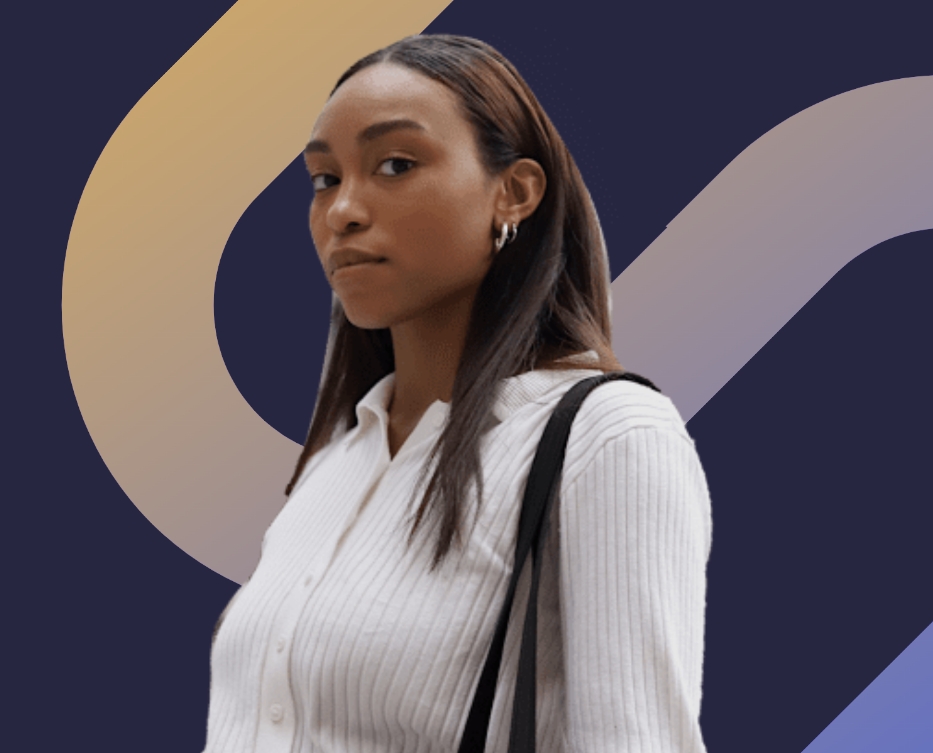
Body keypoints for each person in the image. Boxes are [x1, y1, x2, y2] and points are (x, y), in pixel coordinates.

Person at [202, 34, 713, 753]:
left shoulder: (606, 436)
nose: (343, 210)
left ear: (516, 192)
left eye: (396, 165)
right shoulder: (337, 458)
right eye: (324, 179)